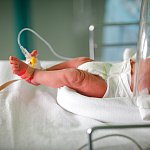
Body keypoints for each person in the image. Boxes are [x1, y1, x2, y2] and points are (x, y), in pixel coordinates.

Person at [9, 50, 149, 98]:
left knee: (75, 76)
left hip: (115, 87)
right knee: (82, 61)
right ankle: (44, 73)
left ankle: (34, 76)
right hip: (117, 67)